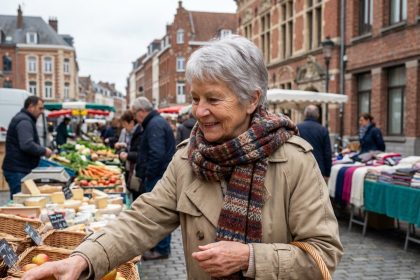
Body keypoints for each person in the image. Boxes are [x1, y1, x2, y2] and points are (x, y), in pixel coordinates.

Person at [22, 36, 342, 280]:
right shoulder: (189, 158)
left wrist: (249, 258)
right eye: (195, 98)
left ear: (251, 99)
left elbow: (322, 254)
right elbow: (143, 218)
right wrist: (83, 258)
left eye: (213, 99)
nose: (198, 111)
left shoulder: (294, 161)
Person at [132, 97, 176, 260]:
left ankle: (161, 249)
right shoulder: (155, 122)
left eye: (134, 113)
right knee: (158, 213)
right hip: (158, 175)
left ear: (142, 112)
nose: (134, 118)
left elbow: (156, 153)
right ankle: (159, 247)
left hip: (157, 177)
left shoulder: (154, 124)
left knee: (159, 214)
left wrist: (148, 175)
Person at [2, 96, 52, 199]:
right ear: (31, 107)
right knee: (20, 201)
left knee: (21, 200)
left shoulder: (25, 119)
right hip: (18, 170)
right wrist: (44, 150)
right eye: (40, 108)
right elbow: (27, 144)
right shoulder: (24, 121)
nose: (42, 111)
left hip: (19, 168)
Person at [297, 105, 332, 178]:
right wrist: (328, 173)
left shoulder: (297, 128)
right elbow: (327, 153)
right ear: (318, 115)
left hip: (300, 168)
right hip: (318, 169)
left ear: (305, 114)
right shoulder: (323, 130)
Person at [115, 110, 143, 200]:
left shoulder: (139, 133)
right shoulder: (132, 132)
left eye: (124, 124)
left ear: (131, 122)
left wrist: (128, 155)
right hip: (131, 170)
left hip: (137, 172)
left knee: (137, 197)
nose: (123, 127)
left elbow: (140, 154)